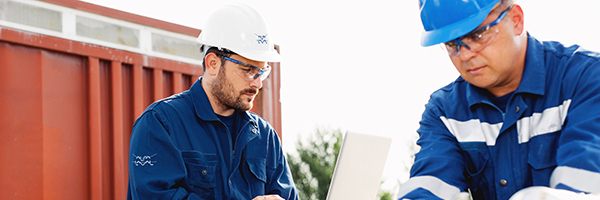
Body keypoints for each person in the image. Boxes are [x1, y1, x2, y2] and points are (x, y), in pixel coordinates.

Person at [398, 0, 600, 199]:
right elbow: (429, 189)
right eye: (452, 44)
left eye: (477, 35)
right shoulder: (445, 112)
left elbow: (585, 186)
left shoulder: (586, 78)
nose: (465, 55)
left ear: (516, 20)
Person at [127, 3, 298, 200]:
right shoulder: (160, 123)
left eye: (262, 72)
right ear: (213, 63)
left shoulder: (265, 137)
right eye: (248, 70)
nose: (257, 83)